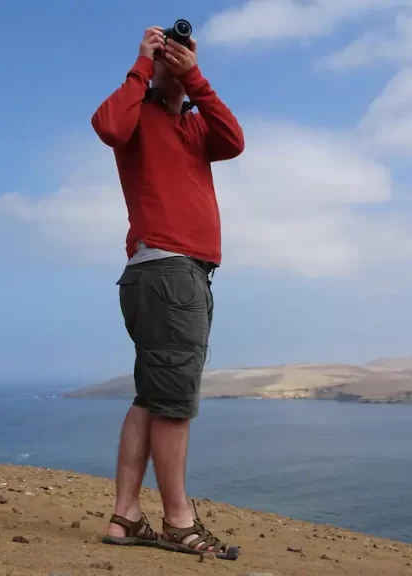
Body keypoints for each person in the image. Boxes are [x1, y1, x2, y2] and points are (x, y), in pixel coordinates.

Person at [90, 24, 244, 560]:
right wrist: (142, 63)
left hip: (162, 274)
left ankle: (125, 517)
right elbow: (107, 126)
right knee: (174, 406)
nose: (172, 59)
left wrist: (192, 75)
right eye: (166, 56)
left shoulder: (197, 127)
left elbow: (235, 140)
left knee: (150, 398)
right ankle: (179, 522)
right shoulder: (136, 115)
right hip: (170, 271)